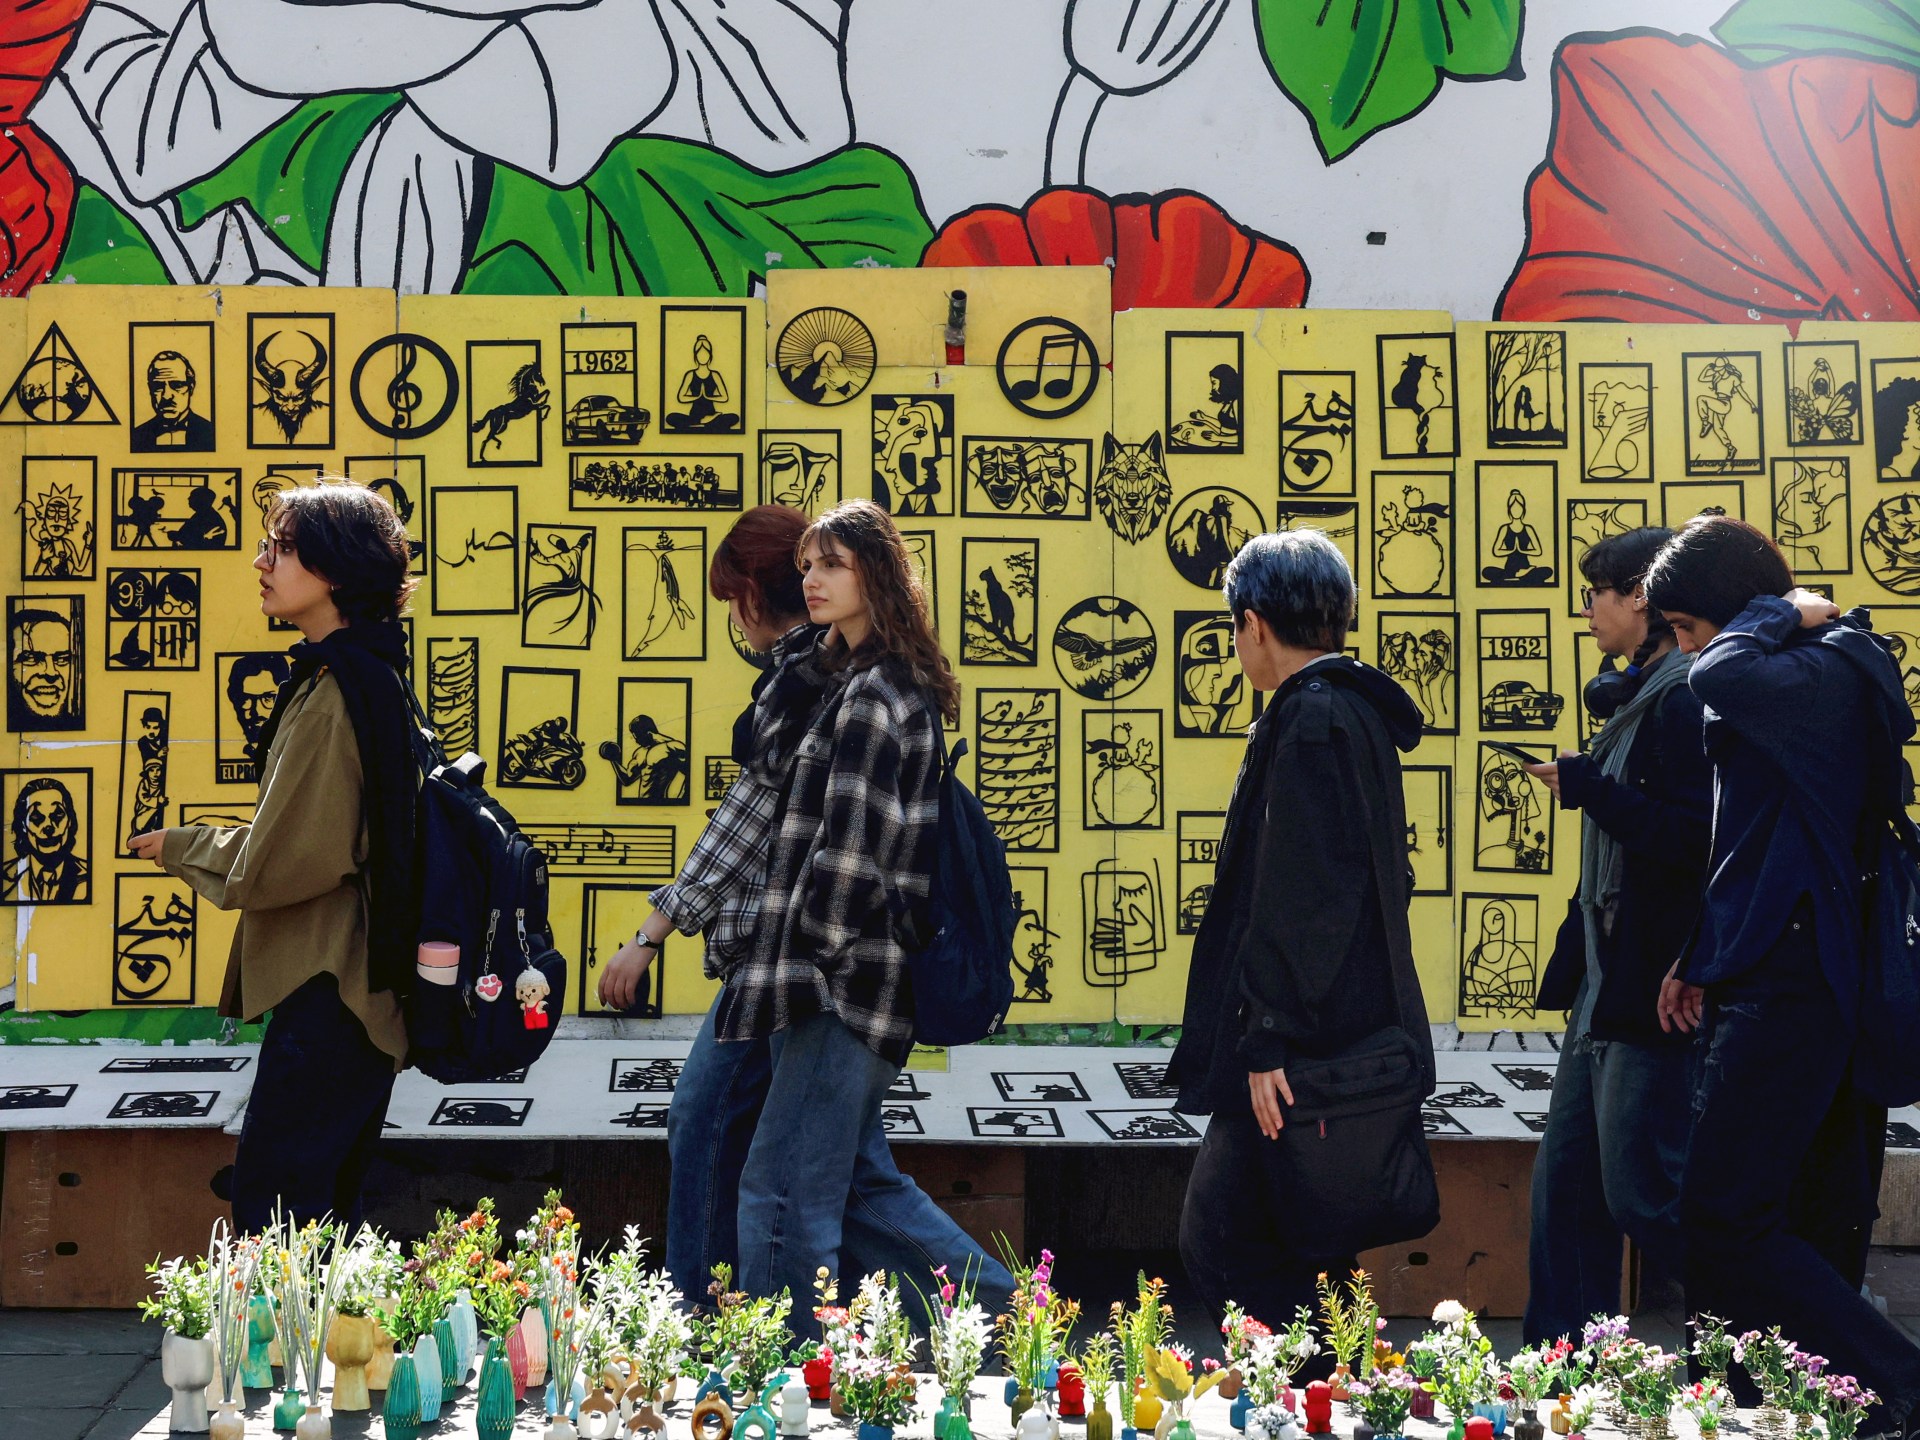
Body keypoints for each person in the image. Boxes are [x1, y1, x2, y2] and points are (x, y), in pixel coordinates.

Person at [693, 498, 1011, 1320]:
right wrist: (804, 660)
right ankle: (1011, 1318)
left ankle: (786, 1360)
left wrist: (813, 958)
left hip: (837, 985)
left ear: (877, 574)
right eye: (807, 565)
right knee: (853, 1186)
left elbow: (853, 857)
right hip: (839, 984)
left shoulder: (875, 693)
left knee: (780, 1192)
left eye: (831, 564)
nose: (812, 579)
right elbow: (763, 751)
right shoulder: (840, 679)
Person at [1645, 515, 1920, 1424]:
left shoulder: (1809, 669)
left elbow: (1716, 672)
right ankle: (1775, 1402)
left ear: (1730, 612)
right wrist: (1700, 954)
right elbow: (1759, 837)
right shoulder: (1803, 668)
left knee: (1724, 1217)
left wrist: (1771, 614)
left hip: (1794, 982)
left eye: (1685, 627)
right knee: (1779, 1216)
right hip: (1781, 967)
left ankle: (1897, 1382)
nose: (1686, 650)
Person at [131, 480, 419, 1232]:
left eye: (283, 549)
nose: (262, 563)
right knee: (320, 1221)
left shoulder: (336, 695)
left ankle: (287, 1322)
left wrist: (180, 845)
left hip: (331, 992)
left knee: (277, 1220)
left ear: (336, 570)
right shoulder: (366, 672)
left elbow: (279, 861)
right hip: (353, 994)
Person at [1167, 528, 1432, 1326]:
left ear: (1252, 624)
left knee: (1222, 1237)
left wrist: (1267, 1037)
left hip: (1298, 1049)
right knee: (1307, 1239)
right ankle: (1339, 1382)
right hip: (1332, 1035)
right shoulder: (1350, 710)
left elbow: (1304, 896)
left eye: (1233, 628)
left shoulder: (1312, 719)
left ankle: (1308, 1380)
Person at [1517, 527, 1711, 1342]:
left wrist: (1590, 788)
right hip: (1605, 978)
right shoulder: (1637, 697)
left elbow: (1692, 840)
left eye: (1596, 593)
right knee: (1565, 1190)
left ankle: (1770, 1331)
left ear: (1641, 597)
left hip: (1648, 985)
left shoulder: (1681, 699)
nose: (1587, 609)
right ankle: (1558, 1371)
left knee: (1642, 1194)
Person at [130, 351, 216, 451]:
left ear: (191, 388)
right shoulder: (137, 435)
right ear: (150, 389)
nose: (167, 396)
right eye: (158, 386)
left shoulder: (210, 432)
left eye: (177, 385)